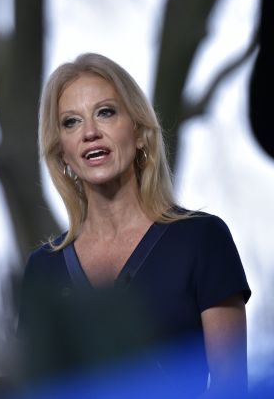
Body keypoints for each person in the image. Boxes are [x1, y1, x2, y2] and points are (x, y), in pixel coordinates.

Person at [17, 53, 250, 397]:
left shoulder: (202, 240)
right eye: (71, 122)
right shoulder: (43, 268)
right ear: (62, 153)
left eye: (105, 112)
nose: (90, 133)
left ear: (140, 132)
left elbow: (232, 388)